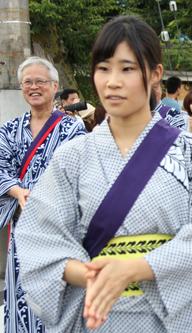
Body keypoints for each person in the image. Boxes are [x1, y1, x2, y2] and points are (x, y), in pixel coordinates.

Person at [15, 16, 192, 332]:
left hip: (168, 320)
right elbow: (38, 237)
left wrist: (136, 268)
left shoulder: (191, 152)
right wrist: (95, 275)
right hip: (98, 316)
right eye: (103, 68)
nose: (112, 81)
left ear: (155, 73)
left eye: (127, 68)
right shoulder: (72, 157)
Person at [0, 56, 86, 332]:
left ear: (54, 86)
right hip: (22, 228)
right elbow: (1, 167)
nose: (33, 87)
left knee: (57, 297)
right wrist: (17, 191)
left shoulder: (72, 129)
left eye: (40, 81)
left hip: (58, 231)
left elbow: (76, 173)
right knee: (19, 294)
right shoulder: (8, 131)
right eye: (28, 82)